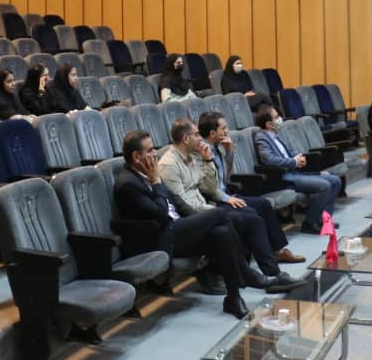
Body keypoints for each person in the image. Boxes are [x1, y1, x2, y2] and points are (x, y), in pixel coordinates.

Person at [116, 130, 268, 319]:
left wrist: (198, 220)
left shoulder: (147, 172)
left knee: (221, 233)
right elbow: (161, 214)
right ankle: (247, 273)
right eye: (150, 150)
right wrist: (156, 182)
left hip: (177, 229)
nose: (155, 153)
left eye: (154, 149)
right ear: (136, 156)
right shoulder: (128, 184)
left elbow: (176, 201)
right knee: (219, 213)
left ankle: (233, 298)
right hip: (160, 239)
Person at [158, 116, 305, 292]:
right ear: (186, 138)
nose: (200, 138)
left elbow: (209, 187)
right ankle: (250, 276)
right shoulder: (169, 164)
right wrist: (213, 210)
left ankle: (273, 274)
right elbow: (182, 205)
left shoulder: (191, 156)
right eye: (196, 134)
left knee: (254, 220)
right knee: (245, 218)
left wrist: (208, 161)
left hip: (206, 209)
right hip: (194, 218)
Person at [196, 112, 305, 264]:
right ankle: (260, 259)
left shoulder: (218, 148)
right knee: (252, 213)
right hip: (214, 200)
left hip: (226, 194)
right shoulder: (200, 153)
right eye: (224, 128)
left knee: (264, 204)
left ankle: (278, 251)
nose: (227, 131)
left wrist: (229, 152)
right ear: (213, 133)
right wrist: (227, 198)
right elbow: (207, 187)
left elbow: (226, 177)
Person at [254, 106, 342, 233]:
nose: (280, 119)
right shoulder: (261, 137)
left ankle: (324, 220)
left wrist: (299, 157)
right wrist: (293, 162)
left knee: (335, 180)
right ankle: (310, 223)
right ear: (268, 124)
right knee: (325, 186)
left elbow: (290, 150)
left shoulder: (277, 133)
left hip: (294, 172)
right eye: (276, 117)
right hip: (283, 177)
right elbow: (269, 160)